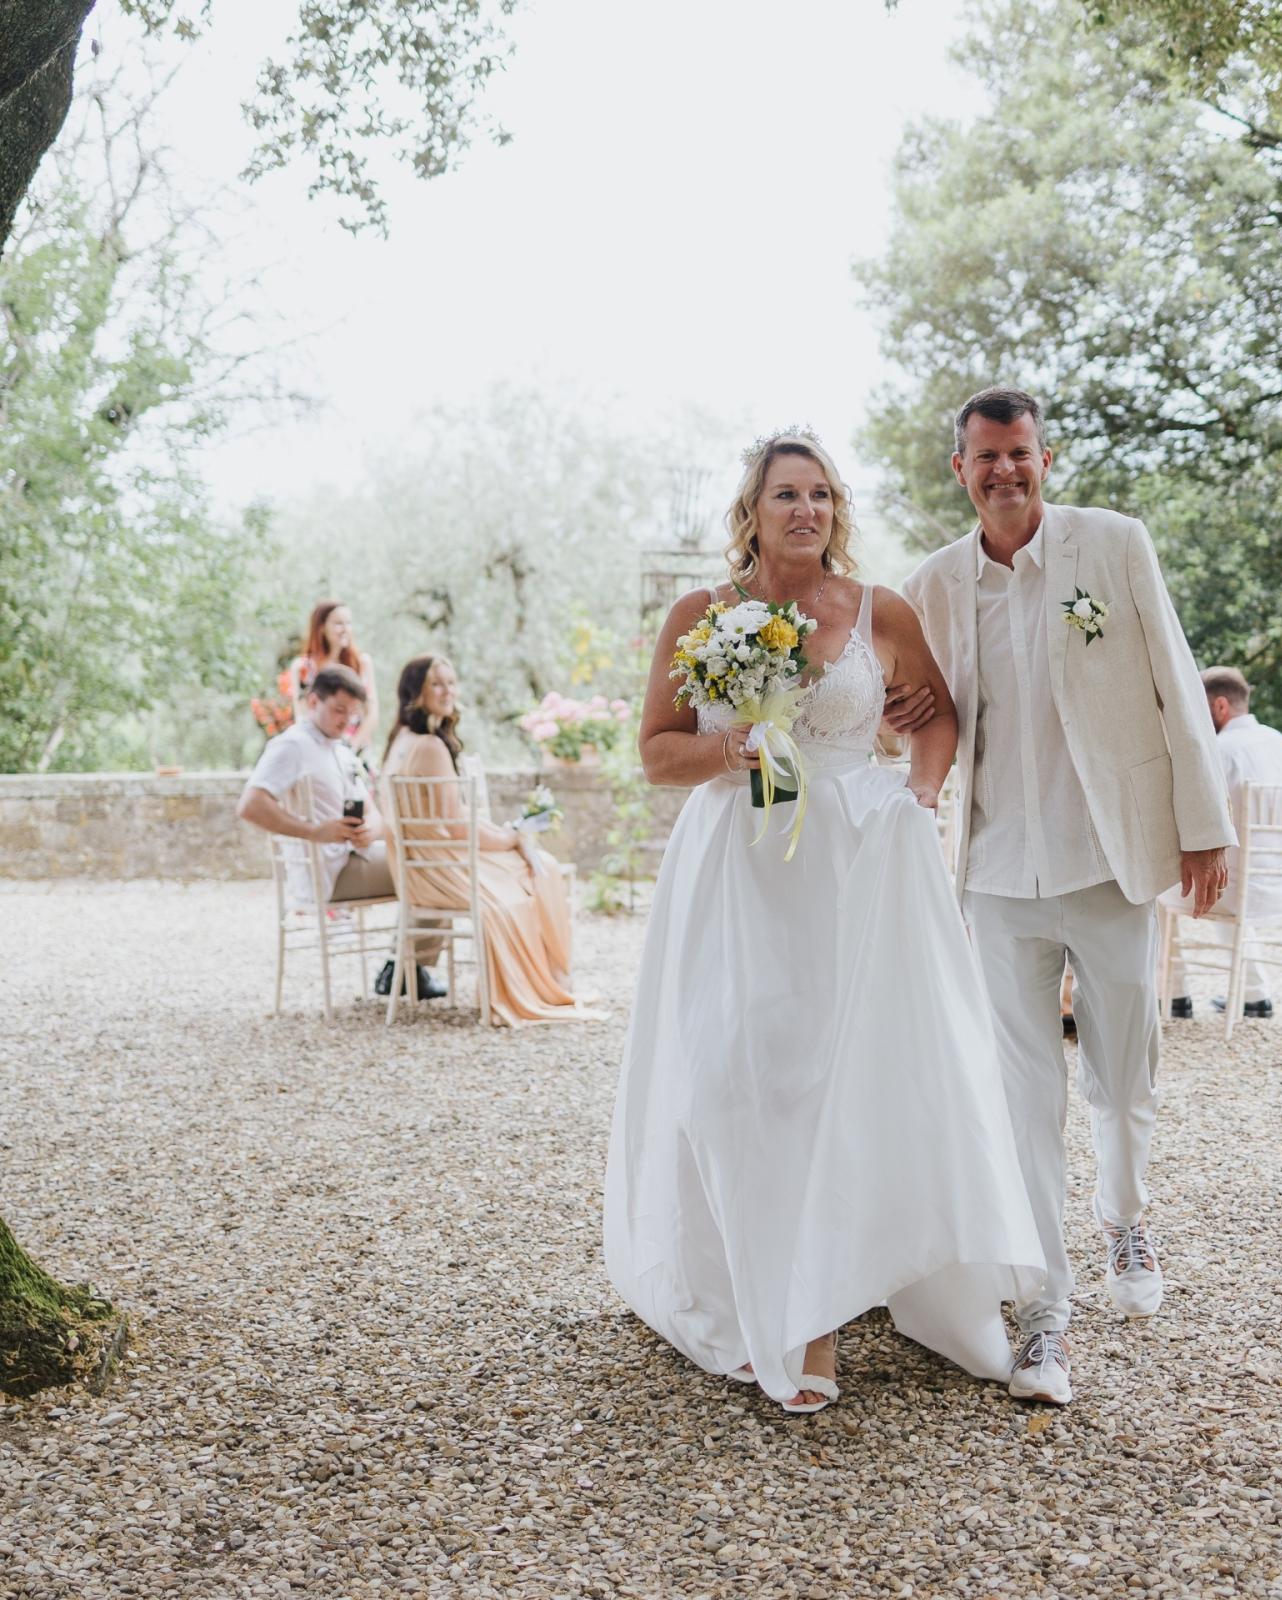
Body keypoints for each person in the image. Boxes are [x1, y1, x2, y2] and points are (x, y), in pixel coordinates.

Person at [604, 432, 1045, 1415]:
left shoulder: (878, 610)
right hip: (740, 869)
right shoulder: (701, 615)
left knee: (845, 1074)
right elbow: (654, 753)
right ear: (752, 512)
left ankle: (819, 1318)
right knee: (739, 1074)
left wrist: (917, 798)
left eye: (820, 494)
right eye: (785, 495)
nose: (805, 509)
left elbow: (932, 718)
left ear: (835, 510)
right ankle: (752, 1282)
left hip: (855, 860)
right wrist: (731, 749)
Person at [891, 386, 1235, 1403]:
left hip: (1108, 858)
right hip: (995, 875)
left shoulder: (1113, 546)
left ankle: (1124, 1213)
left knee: (1123, 1076)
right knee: (1020, 1099)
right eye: (985, 457)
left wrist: (1201, 826)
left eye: (1020, 453)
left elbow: (1176, 678)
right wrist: (899, 715)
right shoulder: (931, 586)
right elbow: (913, 714)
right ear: (958, 470)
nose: (1004, 471)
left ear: (1048, 459)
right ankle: (1046, 1311)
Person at [377, 655, 597, 1028]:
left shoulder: (400, 739)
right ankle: (547, 985)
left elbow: (458, 822)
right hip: (441, 869)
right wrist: (510, 840)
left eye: (451, 682)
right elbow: (458, 827)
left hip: (422, 864)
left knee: (534, 865)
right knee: (540, 871)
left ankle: (551, 981)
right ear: (416, 693)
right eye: (437, 684)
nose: (448, 691)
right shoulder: (430, 746)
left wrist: (508, 836)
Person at [237, 663, 446, 998]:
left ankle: (405, 965)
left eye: (353, 714)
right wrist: (313, 831)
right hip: (328, 870)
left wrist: (372, 828)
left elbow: (376, 811)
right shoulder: (291, 746)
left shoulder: (342, 750)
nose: (346, 720)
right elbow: (250, 805)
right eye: (338, 710)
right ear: (312, 703)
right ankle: (406, 967)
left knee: (436, 861)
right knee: (433, 869)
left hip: (355, 855)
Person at [1161, 665, 1282, 1020]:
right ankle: (1255, 994)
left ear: (1220, 706)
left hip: (1237, 887)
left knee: (1152, 887)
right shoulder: (1279, 742)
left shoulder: (1219, 751)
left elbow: (1197, 820)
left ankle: (1172, 995)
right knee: (1225, 875)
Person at [291, 600, 380, 755]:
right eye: (338, 623)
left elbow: (372, 714)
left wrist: (350, 748)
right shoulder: (302, 668)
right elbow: (302, 716)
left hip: (356, 751)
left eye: (349, 623)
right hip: (317, 751)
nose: (345, 629)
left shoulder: (362, 664)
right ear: (321, 628)